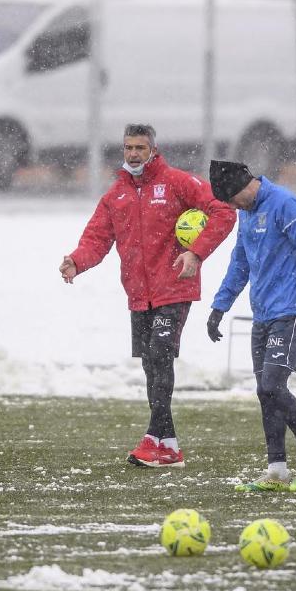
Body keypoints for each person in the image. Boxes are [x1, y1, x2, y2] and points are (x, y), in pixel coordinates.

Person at [60, 124, 235, 468]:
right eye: (129, 148)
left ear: (154, 150)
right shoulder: (116, 195)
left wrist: (196, 253)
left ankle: (152, 438)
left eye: (141, 147)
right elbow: (97, 238)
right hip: (139, 295)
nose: (134, 154)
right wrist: (76, 262)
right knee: (150, 366)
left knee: (160, 355)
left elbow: (224, 212)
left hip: (174, 287)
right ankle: (168, 445)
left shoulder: (177, 182)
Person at [206, 161, 296, 493]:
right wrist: (220, 305)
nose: (232, 208)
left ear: (245, 185)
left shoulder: (284, 203)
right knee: (265, 393)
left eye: (232, 200)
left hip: (291, 311)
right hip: (263, 314)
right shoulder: (246, 214)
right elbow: (240, 263)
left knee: (272, 386)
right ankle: (276, 468)